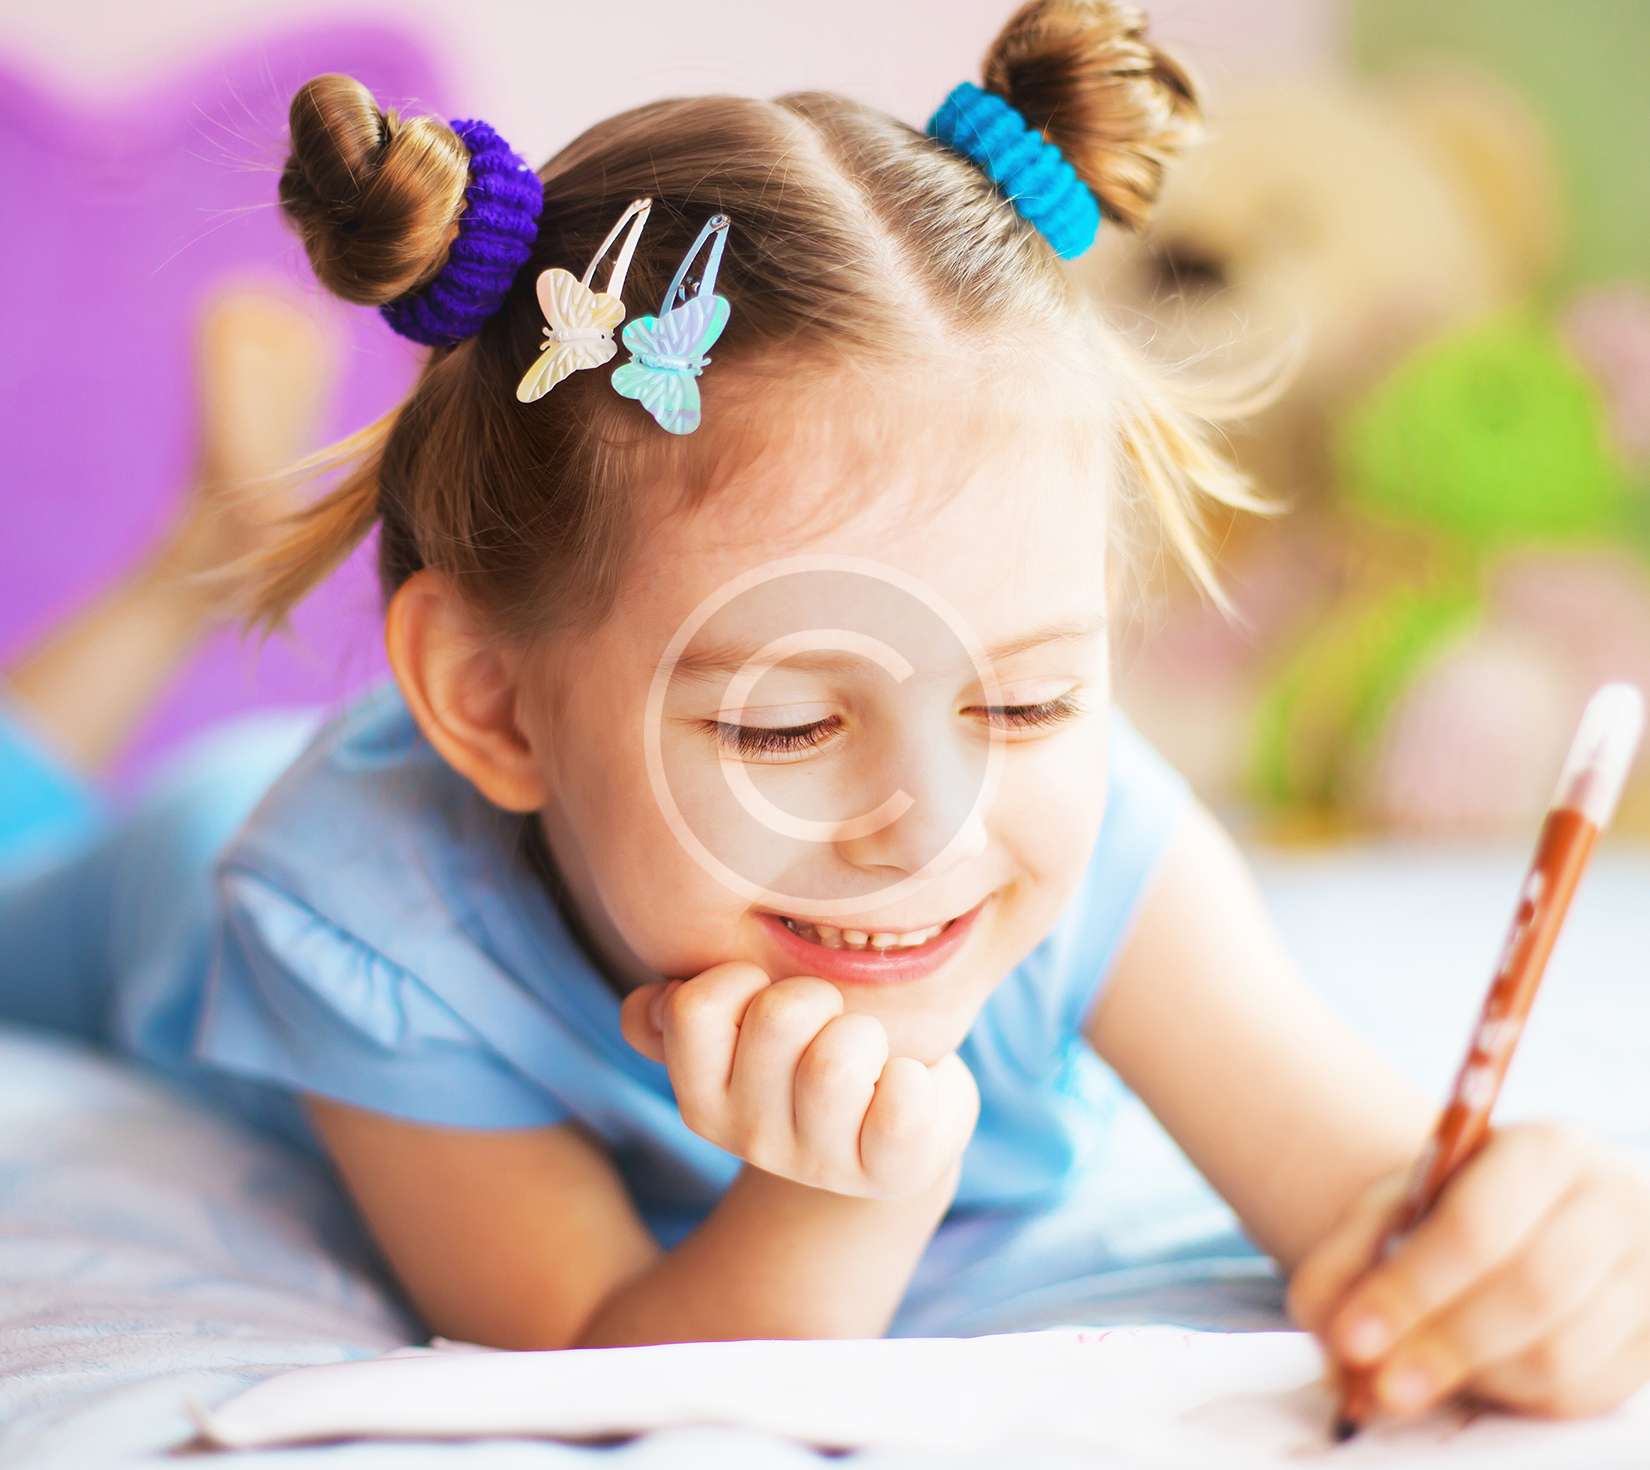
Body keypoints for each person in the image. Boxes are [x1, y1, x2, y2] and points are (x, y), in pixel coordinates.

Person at [4, 0, 1648, 1426]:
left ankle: (202, 558)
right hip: (167, 859)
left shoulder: (1081, 834)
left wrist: (1524, 1257)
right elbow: (585, 1353)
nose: (933, 821)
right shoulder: (347, 902)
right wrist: (839, 1200)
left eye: (1022, 693)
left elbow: (1367, 1192)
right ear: (490, 701)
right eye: (786, 724)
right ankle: (187, 571)